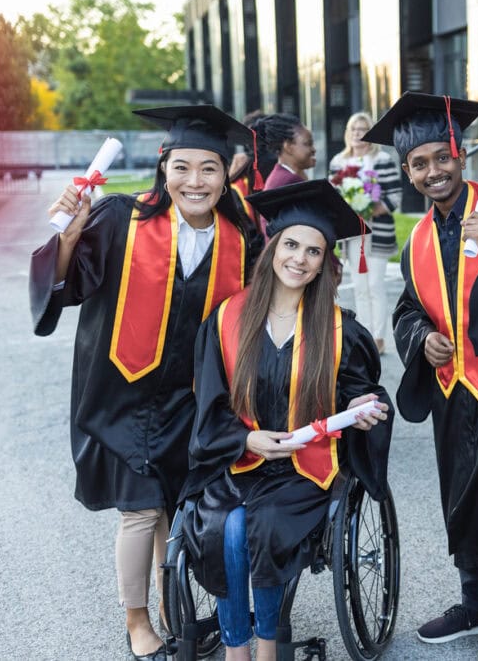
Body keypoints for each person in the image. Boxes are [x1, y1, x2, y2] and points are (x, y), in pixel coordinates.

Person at [29, 105, 263, 660]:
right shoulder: (120, 218)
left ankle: (172, 607)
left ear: (226, 175)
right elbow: (69, 285)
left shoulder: (241, 239)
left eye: (208, 169)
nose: (194, 181)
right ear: (164, 168)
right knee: (140, 510)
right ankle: (137, 623)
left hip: (191, 398)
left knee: (175, 510)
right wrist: (69, 238)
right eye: (182, 167)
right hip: (123, 394)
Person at [180, 179, 393, 661]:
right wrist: (247, 440)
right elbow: (210, 404)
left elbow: (358, 390)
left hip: (303, 469)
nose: (299, 259)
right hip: (238, 460)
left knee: (263, 525)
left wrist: (365, 409)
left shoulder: (339, 329)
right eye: (291, 245)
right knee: (226, 527)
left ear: (323, 263)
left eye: (313, 251)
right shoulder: (227, 319)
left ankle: (268, 646)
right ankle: (236, 648)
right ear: (273, 248)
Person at [363, 91, 478, 644]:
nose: (433, 171)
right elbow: (409, 308)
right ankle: (475, 603)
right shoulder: (416, 240)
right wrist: (422, 339)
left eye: (442, 157)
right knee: (461, 494)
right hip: (452, 390)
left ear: (461, 156)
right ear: (407, 172)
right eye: (419, 163)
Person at [328, 111, 403, 353]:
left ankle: (379, 337)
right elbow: (333, 196)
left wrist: (370, 209)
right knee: (360, 288)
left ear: (370, 133)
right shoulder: (338, 162)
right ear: (347, 133)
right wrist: (350, 211)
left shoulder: (382, 160)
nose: (358, 134)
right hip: (352, 235)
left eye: (362, 129)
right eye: (354, 129)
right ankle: (365, 337)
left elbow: (395, 196)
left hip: (377, 233)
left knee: (375, 286)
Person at [261, 113, 316, 190]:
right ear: (288, 147)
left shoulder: (281, 176)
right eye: (308, 144)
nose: (314, 149)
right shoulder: (291, 181)